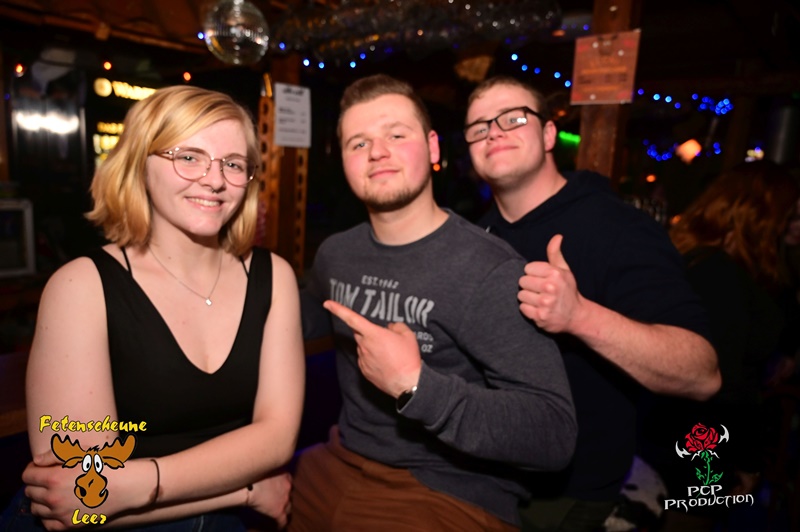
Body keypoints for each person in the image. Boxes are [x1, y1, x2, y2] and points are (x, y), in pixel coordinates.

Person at [0, 85, 305, 531]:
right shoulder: (80, 286)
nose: (215, 179)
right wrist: (245, 490)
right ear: (140, 165)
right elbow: (79, 500)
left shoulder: (273, 276)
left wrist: (136, 483)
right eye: (189, 157)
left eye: (233, 164)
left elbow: (276, 440)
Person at [291, 74, 577, 531]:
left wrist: (415, 384)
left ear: (433, 149)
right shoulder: (335, 255)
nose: (377, 152)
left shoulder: (488, 269)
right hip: (337, 461)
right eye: (358, 143)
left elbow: (553, 433)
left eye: (396, 135)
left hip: (447, 488)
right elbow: (304, 314)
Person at [464, 75, 720, 531]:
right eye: (479, 126)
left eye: (512, 119)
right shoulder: (474, 237)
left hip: (565, 494)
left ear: (548, 135)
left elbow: (701, 373)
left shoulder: (616, 228)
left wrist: (579, 316)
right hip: (482, 477)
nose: (494, 132)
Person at [637, 160, 800, 531]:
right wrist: (745, 461)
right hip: (698, 447)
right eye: (788, 216)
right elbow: (722, 383)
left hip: (682, 437)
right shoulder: (720, 273)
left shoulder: (713, 261)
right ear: (759, 215)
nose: (793, 225)